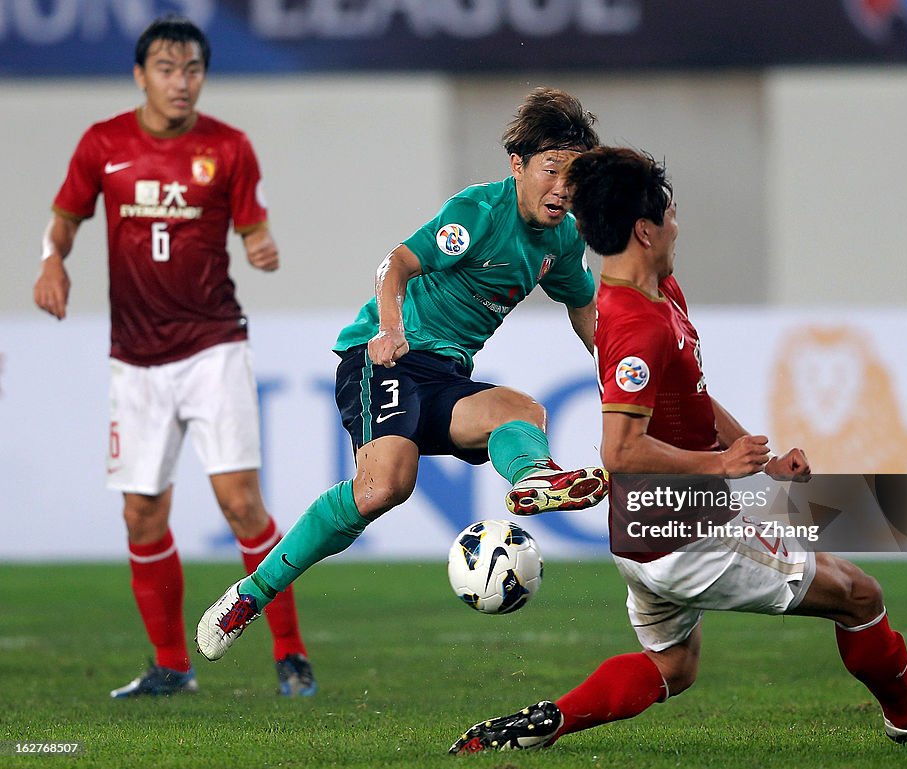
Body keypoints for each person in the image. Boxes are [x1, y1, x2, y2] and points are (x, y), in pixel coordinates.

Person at [449, 147, 907, 752]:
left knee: (673, 670)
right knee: (859, 594)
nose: (677, 226)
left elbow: (693, 396)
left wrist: (759, 460)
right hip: (687, 537)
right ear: (644, 229)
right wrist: (722, 465)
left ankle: (545, 724)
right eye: (670, 215)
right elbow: (619, 451)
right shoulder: (637, 323)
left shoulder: (657, 293)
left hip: (643, 535)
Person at [195, 87, 610, 661]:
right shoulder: (479, 212)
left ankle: (534, 478)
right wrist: (389, 328)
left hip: (443, 374)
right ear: (518, 166)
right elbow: (400, 262)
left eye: (576, 175)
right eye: (552, 170)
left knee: (523, 412)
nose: (563, 189)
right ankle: (249, 595)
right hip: (384, 358)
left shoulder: (563, 239)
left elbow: (584, 308)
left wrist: (616, 373)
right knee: (386, 485)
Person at [33, 15, 316, 698]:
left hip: (213, 346)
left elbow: (256, 226)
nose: (181, 82)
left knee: (241, 503)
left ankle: (290, 653)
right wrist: (52, 263)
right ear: (140, 75)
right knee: (141, 513)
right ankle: (171, 664)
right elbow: (65, 218)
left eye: (192, 69)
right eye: (167, 68)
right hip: (134, 358)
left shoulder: (230, 147)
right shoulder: (103, 145)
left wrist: (261, 247)